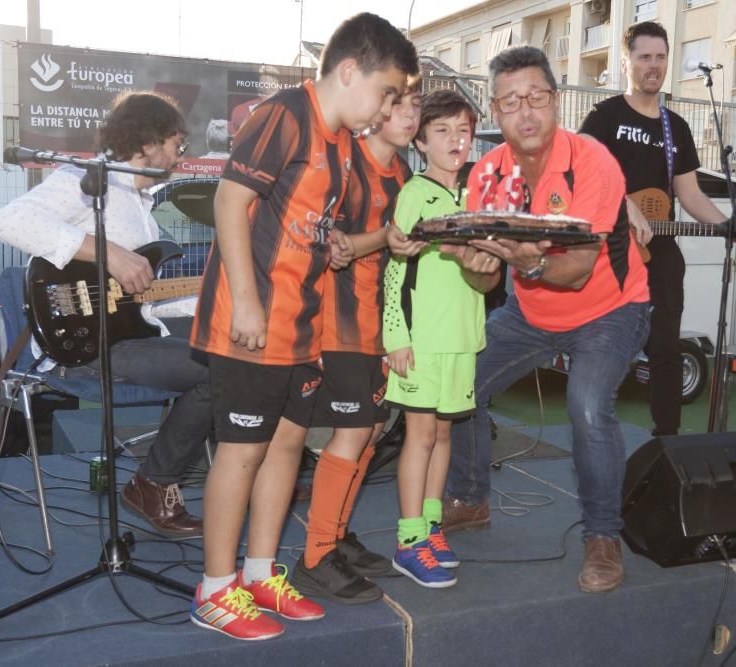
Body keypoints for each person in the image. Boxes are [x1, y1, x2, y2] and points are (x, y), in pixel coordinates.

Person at [188, 13, 418, 640]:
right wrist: (249, 304)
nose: (388, 106)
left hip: (304, 329)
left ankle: (260, 573)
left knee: (287, 447)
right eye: (387, 91)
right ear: (350, 71)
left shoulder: (343, 143)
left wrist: (343, 246)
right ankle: (215, 588)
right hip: (252, 325)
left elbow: (319, 229)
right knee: (242, 452)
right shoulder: (286, 114)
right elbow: (230, 201)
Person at [444, 46, 651, 593]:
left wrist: (524, 259)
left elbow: (579, 270)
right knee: (462, 384)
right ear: (494, 111)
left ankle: (603, 537)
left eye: (536, 97)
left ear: (556, 102)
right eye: (511, 102)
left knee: (586, 404)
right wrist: (477, 264)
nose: (526, 112)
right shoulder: (485, 176)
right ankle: (470, 500)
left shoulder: (594, 162)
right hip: (530, 311)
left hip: (612, 308)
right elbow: (486, 282)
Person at [0, 90, 209, 539]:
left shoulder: (141, 207)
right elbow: (10, 221)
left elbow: (141, 302)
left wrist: (212, 297)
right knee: (221, 371)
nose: (179, 156)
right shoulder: (89, 181)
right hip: (92, 344)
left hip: (131, 332)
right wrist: (110, 252)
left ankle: (244, 473)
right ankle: (154, 482)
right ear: (148, 142)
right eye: (176, 144)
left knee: (235, 345)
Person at [579, 21, 736, 438]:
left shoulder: (673, 127)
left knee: (665, 349)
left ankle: (668, 446)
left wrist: (730, 227)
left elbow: (690, 195)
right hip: (610, 252)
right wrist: (624, 204)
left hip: (659, 253)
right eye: (645, 57)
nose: (654, 65)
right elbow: (582, 173)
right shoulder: (604, 117)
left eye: (661, 57)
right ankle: (596, 438)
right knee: (605, 350)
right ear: (626, 62)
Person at [291, 84, 424, 602]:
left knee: (368, 433)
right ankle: (316, 555)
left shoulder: (405, 174)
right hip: (336, 319)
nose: (409, 115)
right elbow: (331, 245)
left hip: (378, 323)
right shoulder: (345, 164)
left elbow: (398, 244)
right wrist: (386, 237)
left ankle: (338, 535)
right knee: (348, 435)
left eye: (416, 108)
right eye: (399, 105)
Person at [383, 89, 494, 589]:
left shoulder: (476, 195)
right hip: (421, 341)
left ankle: (430, 528)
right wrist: (395, 337)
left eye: (463, 130)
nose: (455, 140)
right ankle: (408, 541)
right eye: (443, 130)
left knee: (445, 435)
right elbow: (394, 270)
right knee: (421, 435)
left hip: (462, 339)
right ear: (422, 140)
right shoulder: (414, 193)